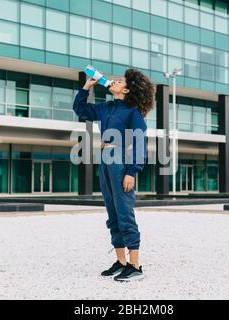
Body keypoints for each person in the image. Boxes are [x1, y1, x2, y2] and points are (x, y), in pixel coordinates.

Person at [73, 68, 155, 281]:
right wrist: (87, 87)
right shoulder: (106, 108)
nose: (113, 82)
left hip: (120, 159)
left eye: (119, 81)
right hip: (105, 157)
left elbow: (139, 142)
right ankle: (120, 262)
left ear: (126, 89)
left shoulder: (132, 112)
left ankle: (135, 266)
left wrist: (132, 171)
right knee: (112, 212)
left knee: (124, 211)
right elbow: (80, 110)